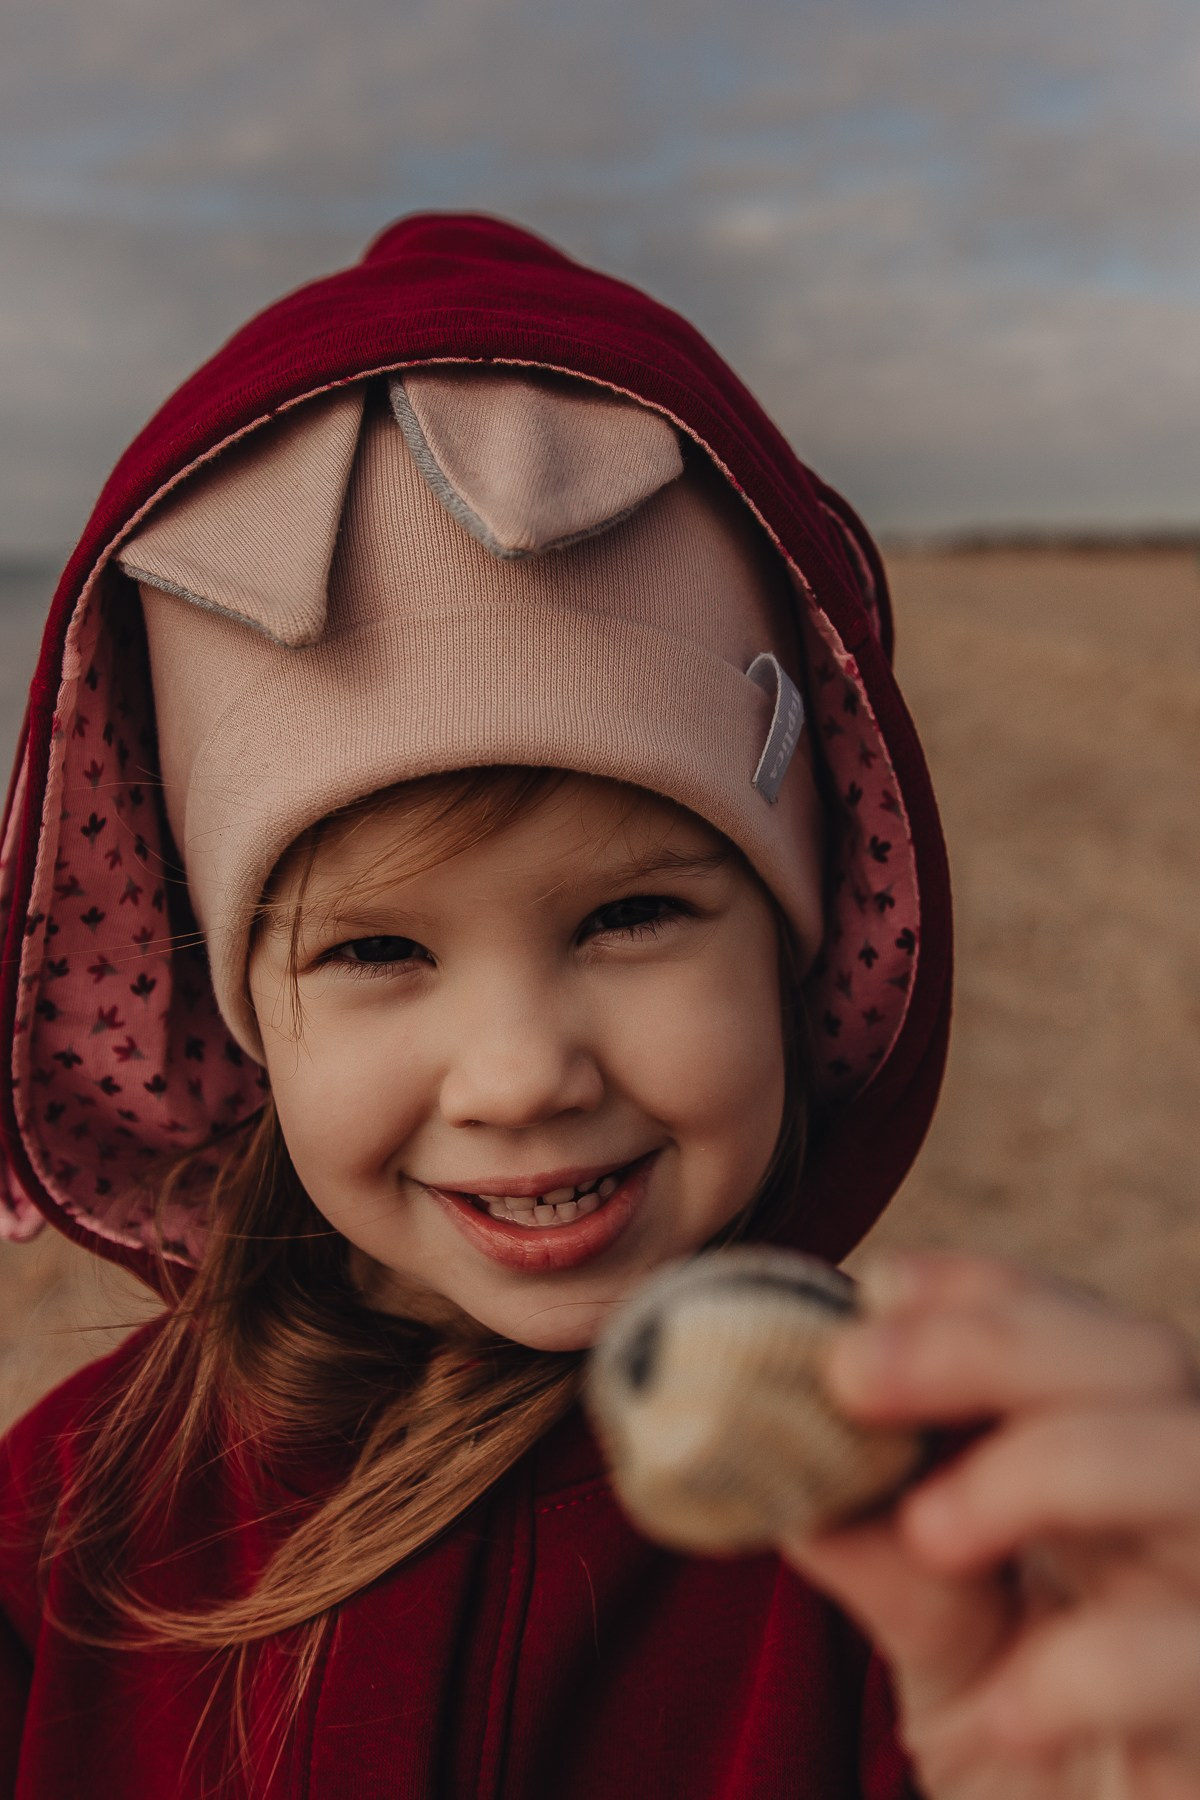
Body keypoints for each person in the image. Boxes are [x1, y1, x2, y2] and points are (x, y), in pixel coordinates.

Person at [0, 213, 1196, 1800]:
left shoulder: (935, 1551)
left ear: (797, 946)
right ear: (243, 1026)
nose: (517, 1075)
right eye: (376, 953)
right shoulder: (73, 1518)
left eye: (631, 915)